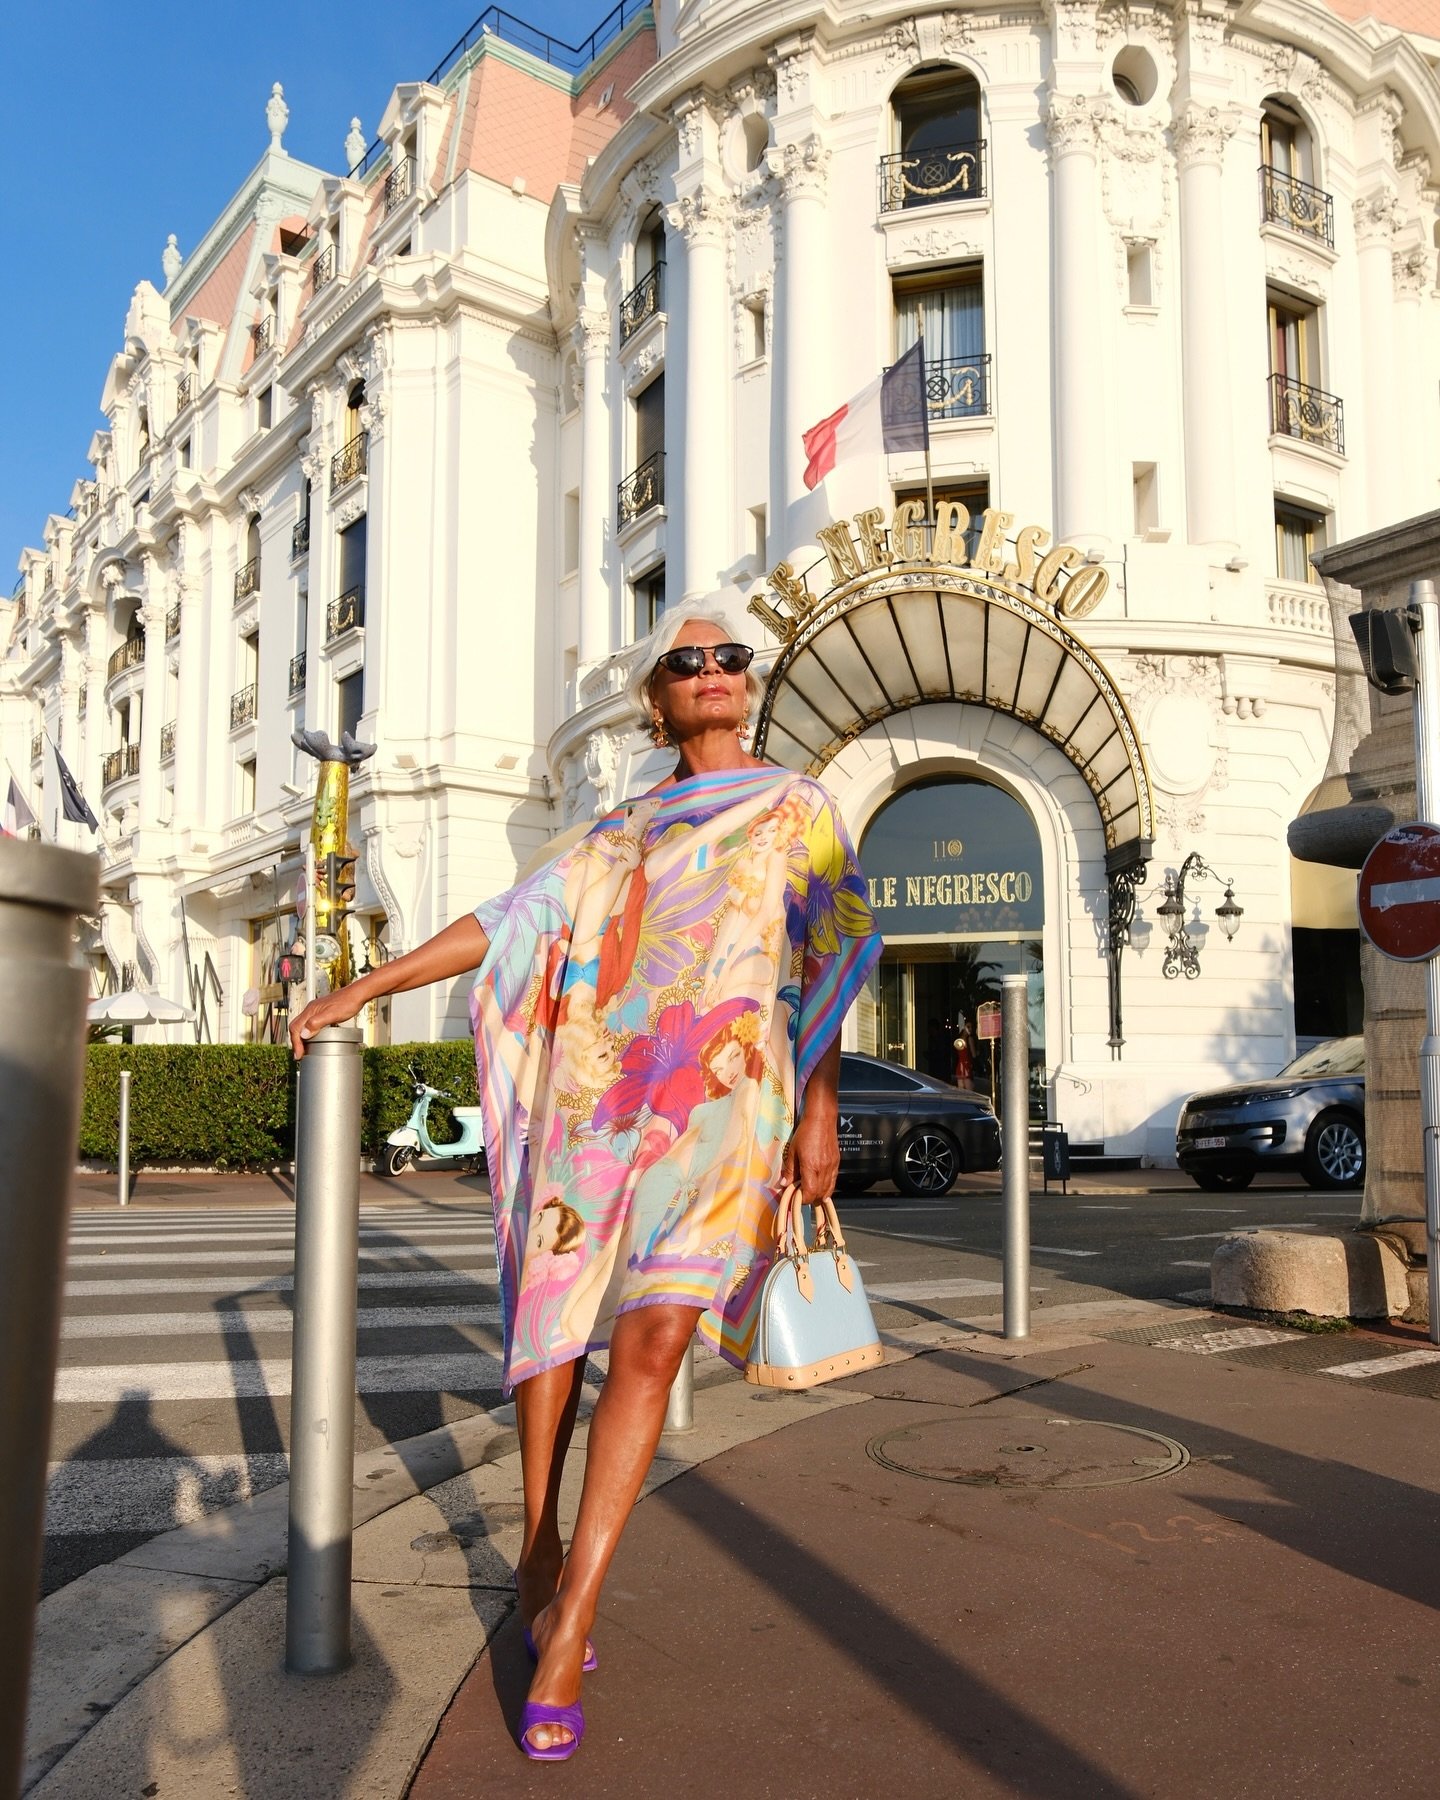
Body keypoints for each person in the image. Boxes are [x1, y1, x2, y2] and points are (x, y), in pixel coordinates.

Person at [289, 607, 880, 1762]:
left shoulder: (803, 809)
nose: (714, 672)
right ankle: (539, 1545)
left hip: (729, 1103)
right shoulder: (625, 828)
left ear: (748, 685)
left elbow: (833, 955)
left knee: (656, 1339)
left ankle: (572, 1626)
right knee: (555, 1328)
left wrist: (820, 1108)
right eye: (687, 662)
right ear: (656, 701)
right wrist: (368, 986)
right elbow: (514, 919)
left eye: (730, 658)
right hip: (602, 1101)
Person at [954, 1018, 977, 1090]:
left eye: (971, 1027)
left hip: (960, 1066)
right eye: (968, 1026)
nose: (970, 1029)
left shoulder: (958, 1040)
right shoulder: (970, 1039)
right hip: (967, 1066)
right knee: (969, 1091)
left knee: (961, 1090)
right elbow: (974, 1055)